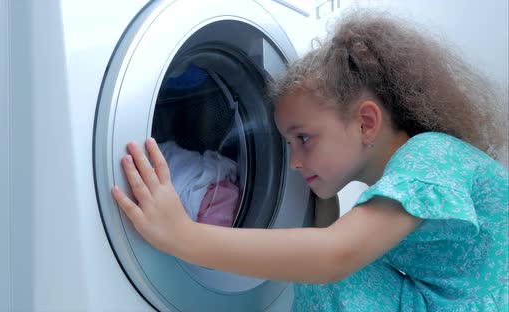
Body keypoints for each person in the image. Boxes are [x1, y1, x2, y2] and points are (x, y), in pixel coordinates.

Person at [111, 9, 508, 311]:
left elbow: (334, 255)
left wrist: (184, 236)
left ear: (366, 122)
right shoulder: (405, 174)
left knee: (329, 275)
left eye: (303, 138)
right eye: (286, 145)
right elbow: (333, 252)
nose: (295, 162)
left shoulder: (430, 156)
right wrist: (323, 207)